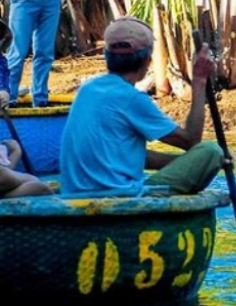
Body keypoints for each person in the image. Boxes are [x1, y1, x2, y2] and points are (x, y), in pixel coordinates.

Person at [60, 17, 225, 196]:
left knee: (204, 156)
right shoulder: (131, 98)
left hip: (75, 193)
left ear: (107, 57)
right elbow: (191, 141)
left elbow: (130, 155)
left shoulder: (87, 90)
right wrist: (199, 81)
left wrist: (184, 163)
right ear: (147, 60)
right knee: (211, 152)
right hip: (118, 197)